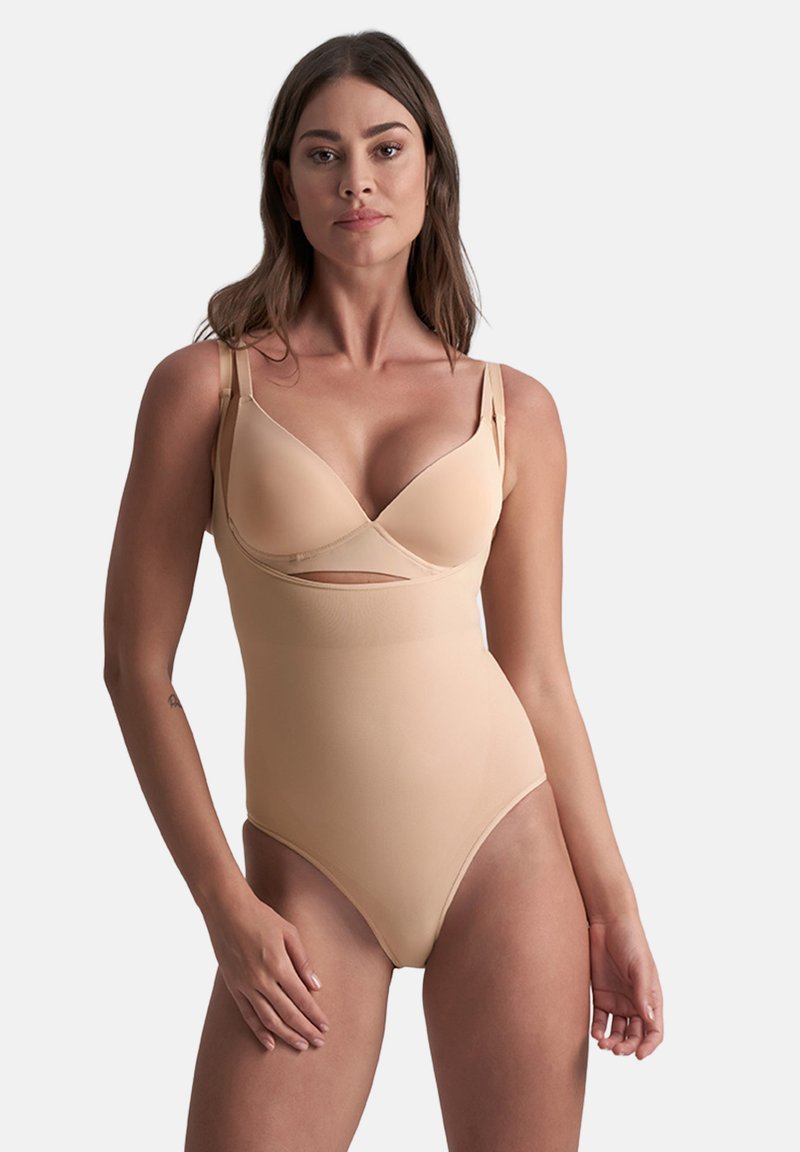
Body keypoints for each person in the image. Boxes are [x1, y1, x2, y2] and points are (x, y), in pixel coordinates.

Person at [103, 29, 663, 1152]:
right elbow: (137, 671)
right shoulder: (203, 389)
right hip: (305, 880)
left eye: (385, 147)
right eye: (322, 153)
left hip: (507, 855)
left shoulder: (516, 409)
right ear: (286, 185)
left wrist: (615, 906)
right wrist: (224, 905)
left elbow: (537, 675)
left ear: (430, 171)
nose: (354, 179)